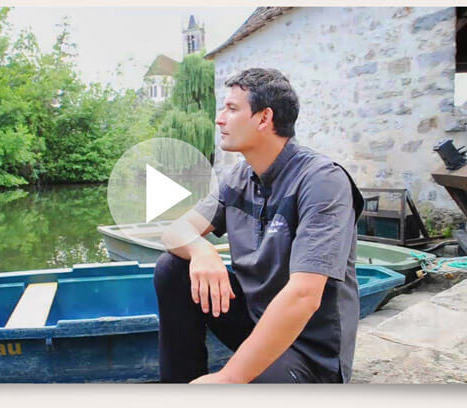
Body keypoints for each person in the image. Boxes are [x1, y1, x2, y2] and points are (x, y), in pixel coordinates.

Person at [154, 68, 363, 383]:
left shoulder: (322, 181)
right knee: (172, 267)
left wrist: (229, 378)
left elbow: (304, 295)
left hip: (309, 353)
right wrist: (201, 250)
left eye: (232, 109)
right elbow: (174, 232)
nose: (219, 119)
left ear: (264, 119)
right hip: (255, 323)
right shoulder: (240, 177)